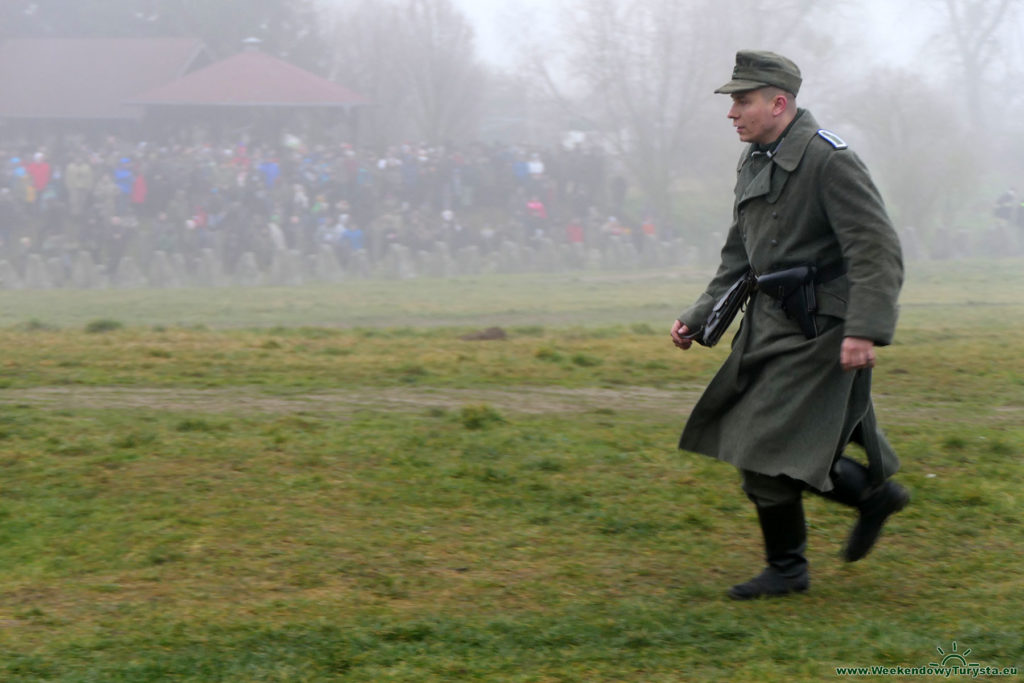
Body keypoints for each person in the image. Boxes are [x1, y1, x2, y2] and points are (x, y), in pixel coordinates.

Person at [669, 51, 909, 600]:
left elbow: (876, 250)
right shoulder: (754, 160)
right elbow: (741, 256)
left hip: (823, 326)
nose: (732, 112)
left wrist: (862, 329)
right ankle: (866, 502)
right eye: (733, 101)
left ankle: (789, 567)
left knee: (764, 443)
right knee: (769, 444)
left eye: (743, 100)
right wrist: (698, 316)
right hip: (770, 323)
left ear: (779, 103)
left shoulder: (830, 161)